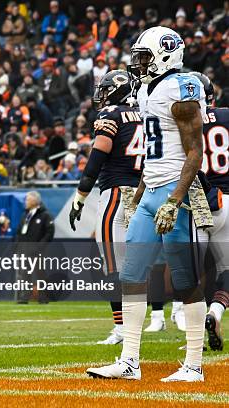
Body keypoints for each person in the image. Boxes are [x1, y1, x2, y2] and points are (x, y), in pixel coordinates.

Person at [87, 27, 207, 382]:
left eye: (144, 56)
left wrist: (175, 200)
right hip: (151, 188)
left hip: (174, 193)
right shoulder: (145, 89)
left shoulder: (180, 89)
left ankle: (194, 365)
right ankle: (129, 362)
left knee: (185, 281)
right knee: (130, 276)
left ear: (167, 54)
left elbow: (195, 152)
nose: (138, 64)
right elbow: (153, 152)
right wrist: (140, 192)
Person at [69, 70, 144, 345]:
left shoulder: (110, 114)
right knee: (138, 268)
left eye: (105, 88)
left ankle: (123, 329)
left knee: (113, 267)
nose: (102, 94)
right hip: (142, 195)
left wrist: (80, 197)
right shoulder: (145, 113)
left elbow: (97, 159)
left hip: (115, 195)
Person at [189, 72, 228, 352]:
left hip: (199, 199)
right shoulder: (226, 115)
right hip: (227, 199)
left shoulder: (187, 122)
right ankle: (216, 310)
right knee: (226, 267)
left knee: (195, 271)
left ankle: (194, 338)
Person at [14, 191, 54, 303]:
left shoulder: (45, 215)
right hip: (24, 250)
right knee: (24, 275)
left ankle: (43, 297)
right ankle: (24, 297)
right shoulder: (25, 215)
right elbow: (19, 231)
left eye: (27, 199)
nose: (25, 202)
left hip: (38, 251)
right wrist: (18, 245)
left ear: (35, 201)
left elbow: (49, 233)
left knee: (40, 274)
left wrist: (39, 247)